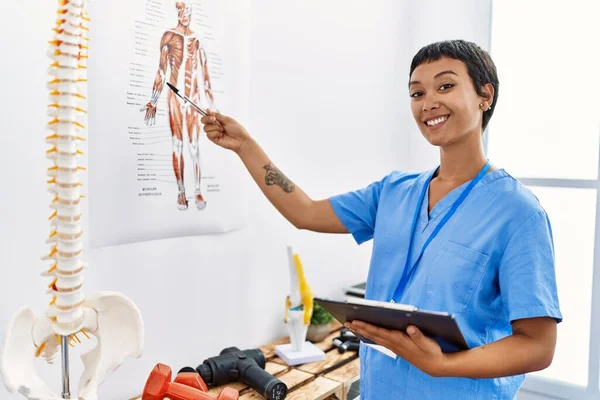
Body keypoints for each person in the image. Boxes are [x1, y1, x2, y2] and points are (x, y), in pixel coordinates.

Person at [200, 40, 562, 399]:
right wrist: (245, 146)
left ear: (485, 95)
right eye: (416, 93)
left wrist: (441, 365)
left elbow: (538, 346)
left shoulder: (518, 213)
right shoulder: (393, 192)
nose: (428, 102)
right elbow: (305, 212)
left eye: (446, 86)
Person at [141, 1, 216, 211]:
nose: (185, 14)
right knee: (177, 145)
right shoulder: (168, 36)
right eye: (181, 10)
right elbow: (161, 70)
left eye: (188, 10)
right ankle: (181, 192)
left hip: (192, 99)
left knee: (194, 147)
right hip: (174, 97)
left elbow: (206, 79)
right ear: (177, 12)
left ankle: (198, 190)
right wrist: (153, 100)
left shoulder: (198, 40)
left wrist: (214, 110)